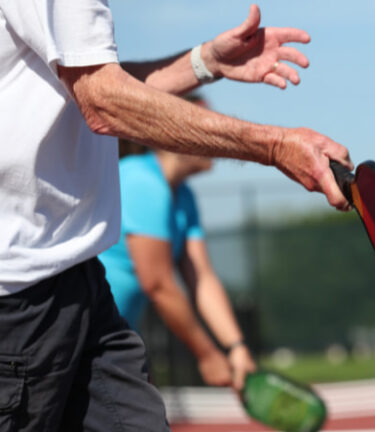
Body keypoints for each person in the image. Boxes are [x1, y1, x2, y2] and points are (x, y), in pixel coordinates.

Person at [0, 2, 351, 431]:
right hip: (18, 303)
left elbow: (82, 81)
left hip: (78, 287)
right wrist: (275, 146)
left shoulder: (182, 199)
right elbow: (102, 99)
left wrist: (204, 63)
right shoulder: (145, 184)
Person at [100, 94, 256, 392]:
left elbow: (202, 278)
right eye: (207, 127)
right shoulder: (142, 182)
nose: (218, 138)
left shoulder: (184, 197)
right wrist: (207, 354)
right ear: (175, 134)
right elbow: (158, 284)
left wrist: (236, 347)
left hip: (109, 342)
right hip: (71, 341)